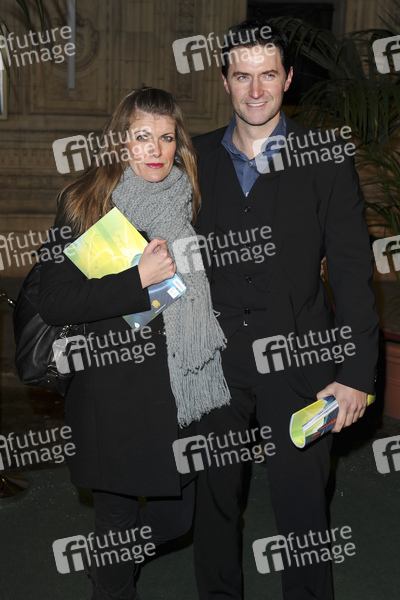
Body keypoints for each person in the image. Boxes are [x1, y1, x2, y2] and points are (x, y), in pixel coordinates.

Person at [190, 19, 379, 600]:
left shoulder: (326, 159)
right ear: (225, 80)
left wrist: (356, 374)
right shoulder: (193, 158)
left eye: (268, 75)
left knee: (304, 515)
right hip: (213, 366)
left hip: (301, 364)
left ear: (288, 78)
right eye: (242, 76)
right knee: (213, 508)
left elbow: (351, 271)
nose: (255, 90)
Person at [38, 87, 230, 600]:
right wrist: (137, 280)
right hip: (112, 398)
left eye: (166, 137)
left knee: (175, 520)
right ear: (120, 141)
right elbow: (54, 300)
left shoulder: (186, 199)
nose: (155, 150)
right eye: (142, 136)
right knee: (117, 522)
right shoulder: (86, 202)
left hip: (177, 395)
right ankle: (111, 576)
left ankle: (107, 561)